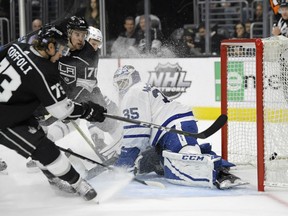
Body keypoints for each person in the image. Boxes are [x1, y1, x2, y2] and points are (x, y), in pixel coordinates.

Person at [0, 24, 107, 201]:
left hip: (20, 107)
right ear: (50, 47)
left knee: (43, 142)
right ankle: (74, 183)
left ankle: (62, 179)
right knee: (43, 147)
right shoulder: (45, 69)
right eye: (61, 50)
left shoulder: (19, 47)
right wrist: (87, 110)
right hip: (11, 115)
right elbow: (61, 108)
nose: (62, 55)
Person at [113, 65, 247, 189]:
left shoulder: (133, 92)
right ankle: (218, 164)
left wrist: (126, 159)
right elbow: (143, 128)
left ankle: (220, 175)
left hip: (174, 126)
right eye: (118, 84)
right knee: (163, 163)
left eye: (123, 82)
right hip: (171, 128)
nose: (121, 87)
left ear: (133, 78)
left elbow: (136, 132)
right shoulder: (141, 88)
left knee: (183, 161)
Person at [46, 17, 120, 162]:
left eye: (97, 44)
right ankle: (44, 150)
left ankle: (123, 143)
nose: (95, 47)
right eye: (92, 42)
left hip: (85, 94)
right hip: (61, 95)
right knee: (46, 121)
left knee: (102, 116)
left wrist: (71, 104)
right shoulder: (61, 48)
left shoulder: (89, 56)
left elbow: (86, 88)